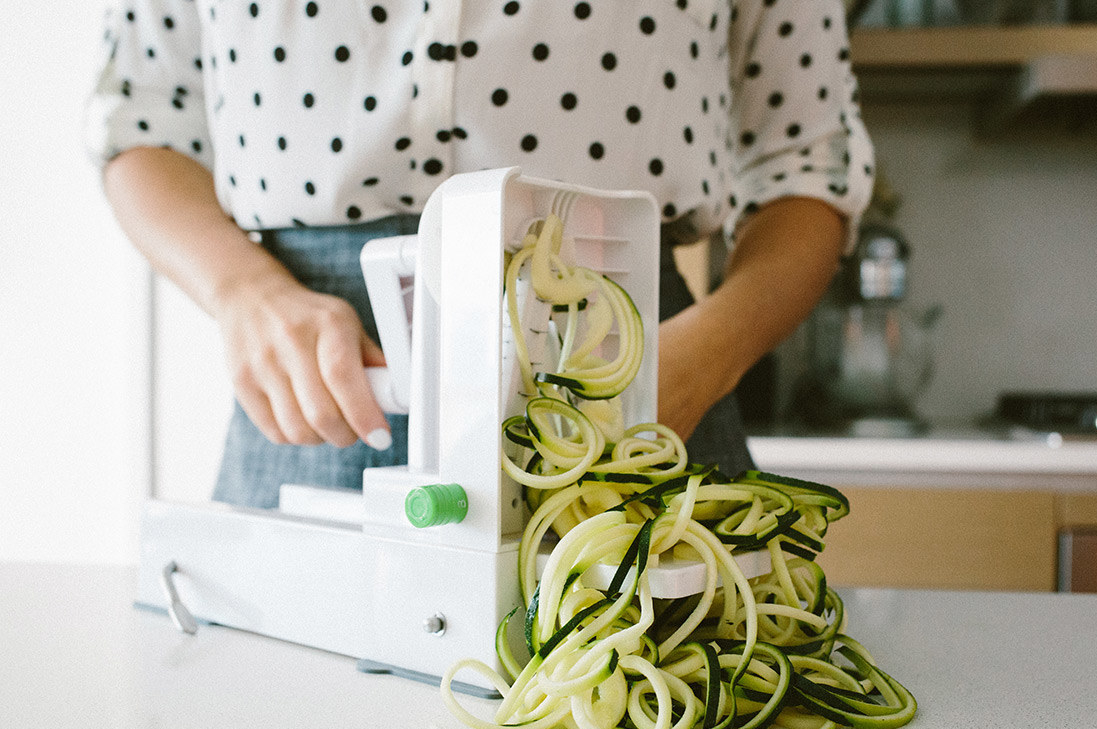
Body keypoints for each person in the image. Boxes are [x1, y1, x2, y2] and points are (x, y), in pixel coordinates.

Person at [87, 1, 874, 509]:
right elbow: (141, 126)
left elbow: (808, 166)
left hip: (642, 394)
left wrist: (713, 353)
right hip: (324, 398)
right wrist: (242, 292)